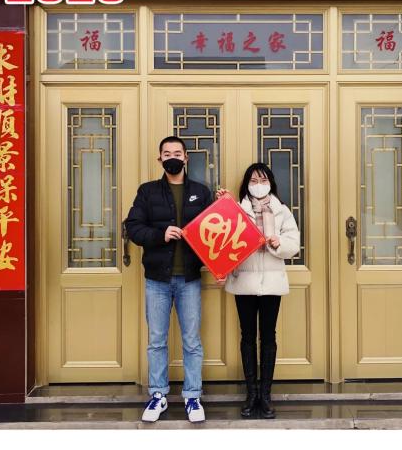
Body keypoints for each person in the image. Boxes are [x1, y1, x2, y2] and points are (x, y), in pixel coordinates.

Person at [125, 136, 212, 423]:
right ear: (159, 159)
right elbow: (133, 228)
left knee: (191, 341)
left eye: (177, 153)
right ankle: (158, 394)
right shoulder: (147, 191)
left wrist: (225, 205)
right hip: (157, 280)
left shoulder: (201, 192)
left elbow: (216, 233)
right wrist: (159, 235)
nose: (172, 157)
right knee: (157, 341)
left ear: (186, 158)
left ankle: (193, 396)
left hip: (189, 279)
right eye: (167, 153)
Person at [216, 163, 300, 419]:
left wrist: (278, 242)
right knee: (248, 336)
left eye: (263, 180)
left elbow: (294, 243)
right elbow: (222, 240)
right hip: (244, 281)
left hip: (272, 282)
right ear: (247, 184)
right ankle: (251, 394)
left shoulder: (281, 210)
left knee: (269, 337)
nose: (258, 185)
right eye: (253, 180)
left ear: (271, 183)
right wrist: (223, 204)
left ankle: (266, 394)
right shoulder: (237, 210)